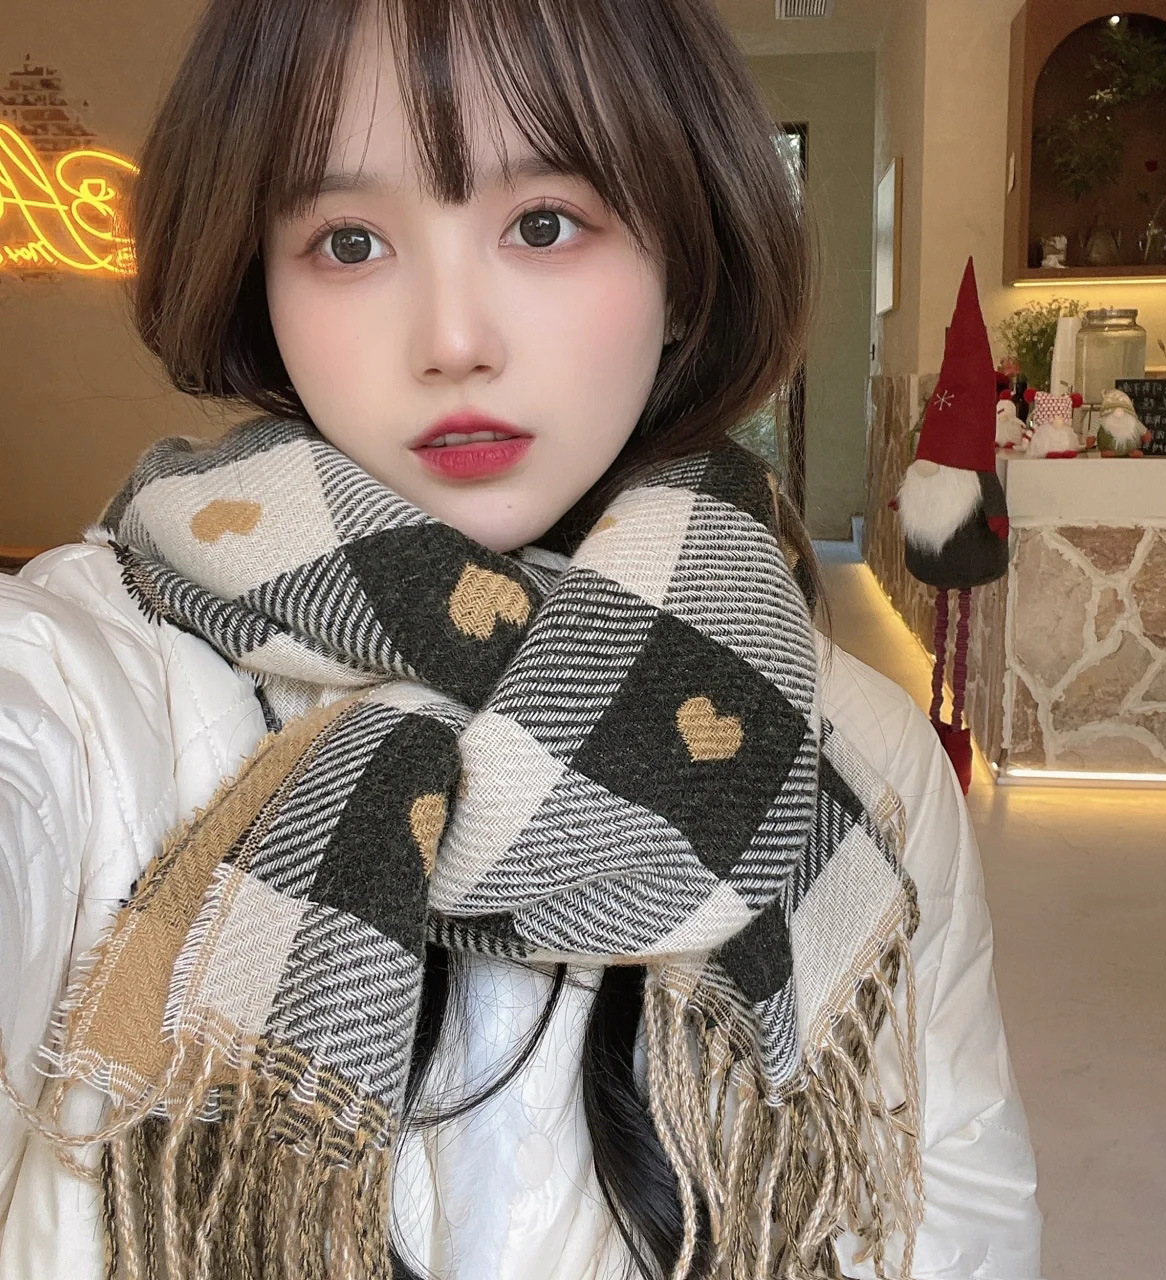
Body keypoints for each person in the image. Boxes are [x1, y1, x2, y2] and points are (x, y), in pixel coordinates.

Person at [0, 1, 1042, 1277]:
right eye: (348, 242)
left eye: (543, 223)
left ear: (683, 271)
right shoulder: (87, 674)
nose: (452, 341)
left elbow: (953, 1210)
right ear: (259, 287)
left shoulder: (854, 756)